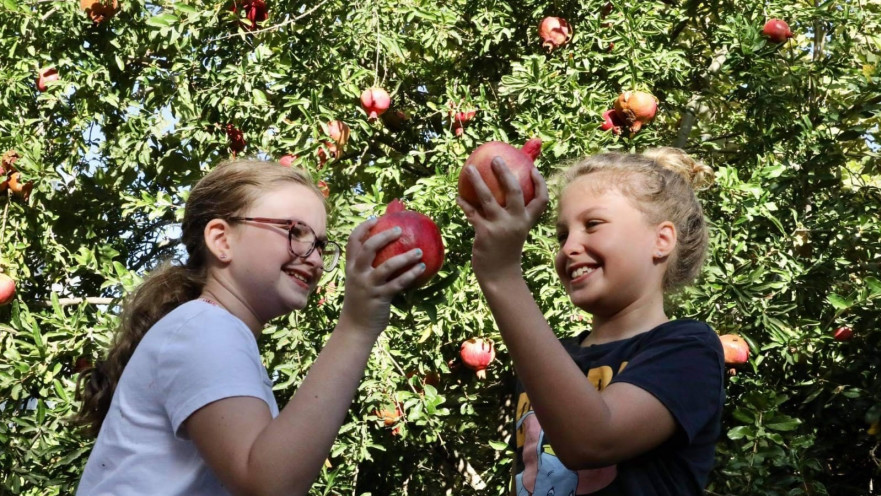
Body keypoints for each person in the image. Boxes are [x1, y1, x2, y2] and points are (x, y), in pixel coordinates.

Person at [73, 159, 427, 495]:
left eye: (319, 244)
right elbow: (268, 484)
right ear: (222, 240)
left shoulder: (207, 330)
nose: (315, 257)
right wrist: (357, 327)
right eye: (294, 231)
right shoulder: (204, 328)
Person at [456, 148, 725, 495]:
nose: (569, 248)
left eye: (592, 225)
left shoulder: (690, 349)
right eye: (562, 235)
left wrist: (501, 277)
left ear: (661, 240)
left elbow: (592, 441)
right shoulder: (553, 359)